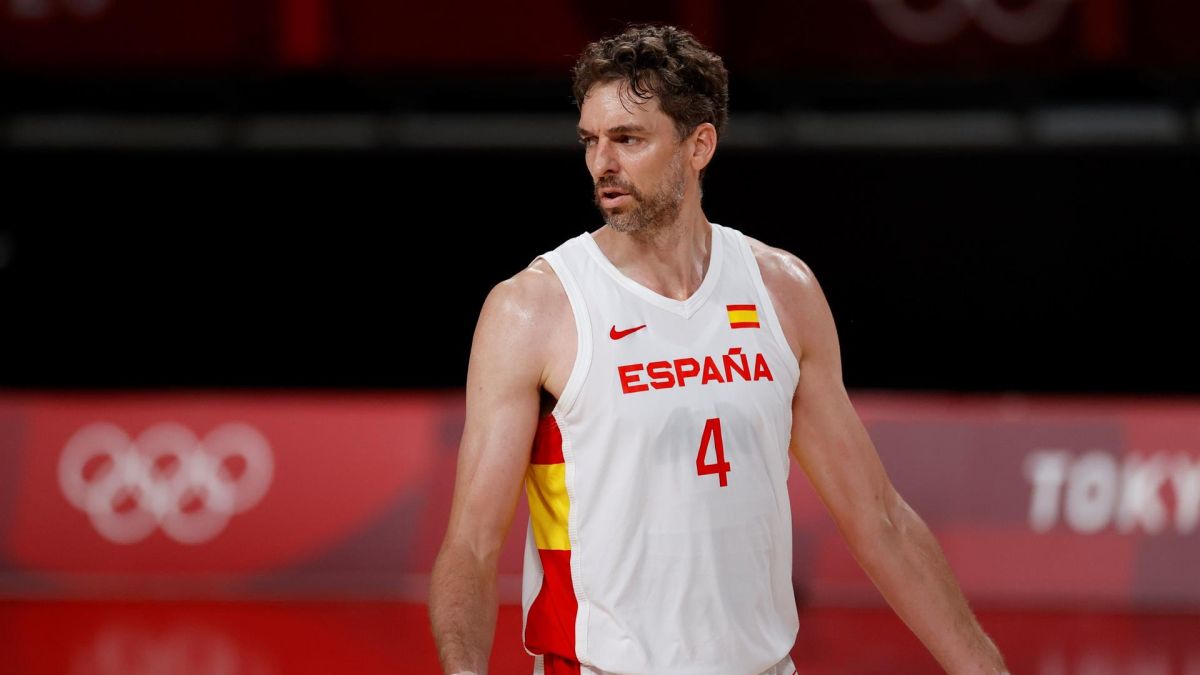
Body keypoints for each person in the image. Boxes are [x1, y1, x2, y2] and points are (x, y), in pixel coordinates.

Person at [429, 24, 1009, 675]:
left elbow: (879, 519)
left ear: (699, 145)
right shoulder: (535, 307)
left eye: (628, 139)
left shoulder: (781, 290)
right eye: (591, 140)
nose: (601, 164)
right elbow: (471, 547)